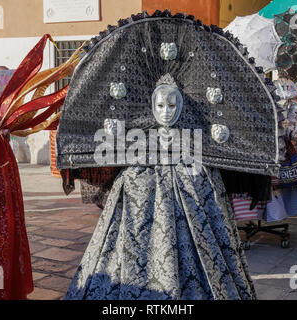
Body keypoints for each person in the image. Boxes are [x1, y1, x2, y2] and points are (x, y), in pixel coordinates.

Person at [57, 10, 285, 300]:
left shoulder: (201, 160)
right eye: (160, 104)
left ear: (184, 104)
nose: (165, 111)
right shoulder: (135, 154)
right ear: (150, 103)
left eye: (172, 104)